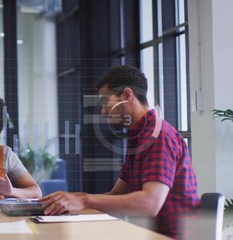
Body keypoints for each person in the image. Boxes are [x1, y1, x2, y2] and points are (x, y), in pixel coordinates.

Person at [39, 65, 199, 238]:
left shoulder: (158, 136)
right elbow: (116, 195)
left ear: (127, 95)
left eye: (105, 102)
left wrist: (84, 200)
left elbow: (150, 203)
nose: (103, 111)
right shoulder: (139, 137)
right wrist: (73, 198)